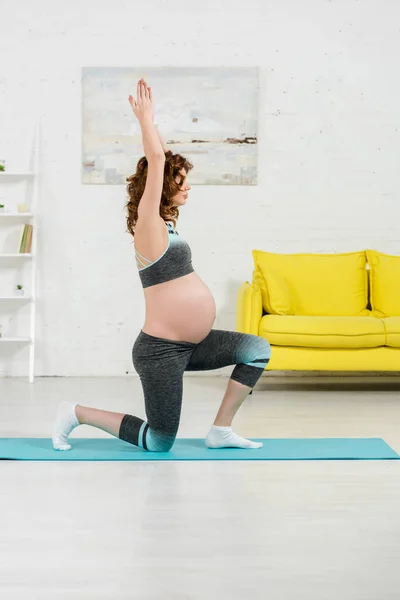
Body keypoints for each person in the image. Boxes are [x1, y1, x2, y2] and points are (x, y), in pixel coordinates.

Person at [52, 78, 271, 452]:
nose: (188, 188)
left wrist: (159, 138)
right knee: (159, 441)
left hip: (195, 343)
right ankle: (75, 413)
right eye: (182, 182)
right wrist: (145, 120)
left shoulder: (167, 226)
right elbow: (157, 162)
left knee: (256, 349)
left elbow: (163, 161)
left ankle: (220, 429)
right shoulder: (148, 226)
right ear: (162, 187)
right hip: (160, 352)